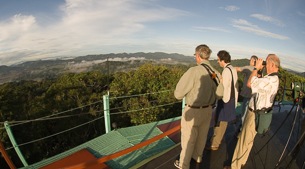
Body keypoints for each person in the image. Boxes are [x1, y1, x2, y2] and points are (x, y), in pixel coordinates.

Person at [174, 44, 221, 169]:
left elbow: (178, 94)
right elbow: (220, 94)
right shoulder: (215, 73)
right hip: (208, 110)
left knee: (189, 139)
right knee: (202, 136)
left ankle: (184, 164)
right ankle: (198, 157)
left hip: (193, 111)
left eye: (195, 55)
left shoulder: (193, 71)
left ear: (199, 56)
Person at [229, 54, 280, 169]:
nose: (265, 65)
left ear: (271, 64)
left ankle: (235, 167)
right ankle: (241, 163)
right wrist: (259, 72)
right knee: (248, 141)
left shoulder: (270, 79)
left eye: (266, 62)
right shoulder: (274, 78)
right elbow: (259, 84)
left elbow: (249, 83)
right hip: (260, 113)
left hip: (254, 114)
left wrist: (256, 68)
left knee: (243, 141)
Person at [207, 50, 238, 151]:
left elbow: (223, 86)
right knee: (223, 121)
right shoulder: (232, 68)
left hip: (225, 99)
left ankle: (214, 144)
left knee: (220, 122)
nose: (218, 62)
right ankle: (216, 141)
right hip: (232, 98)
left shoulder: (226, 71)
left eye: (218, 60)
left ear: (222, 60)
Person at [235, 55, 258, 128]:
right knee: (248, 113)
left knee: (244, 113)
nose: (250, 61)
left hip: (247, 95)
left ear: (252, 61)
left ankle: (241, 129)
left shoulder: (249, 68)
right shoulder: (258, 71)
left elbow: (237, 69)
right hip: (254, 95)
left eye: (251, 60)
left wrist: (228, 67)